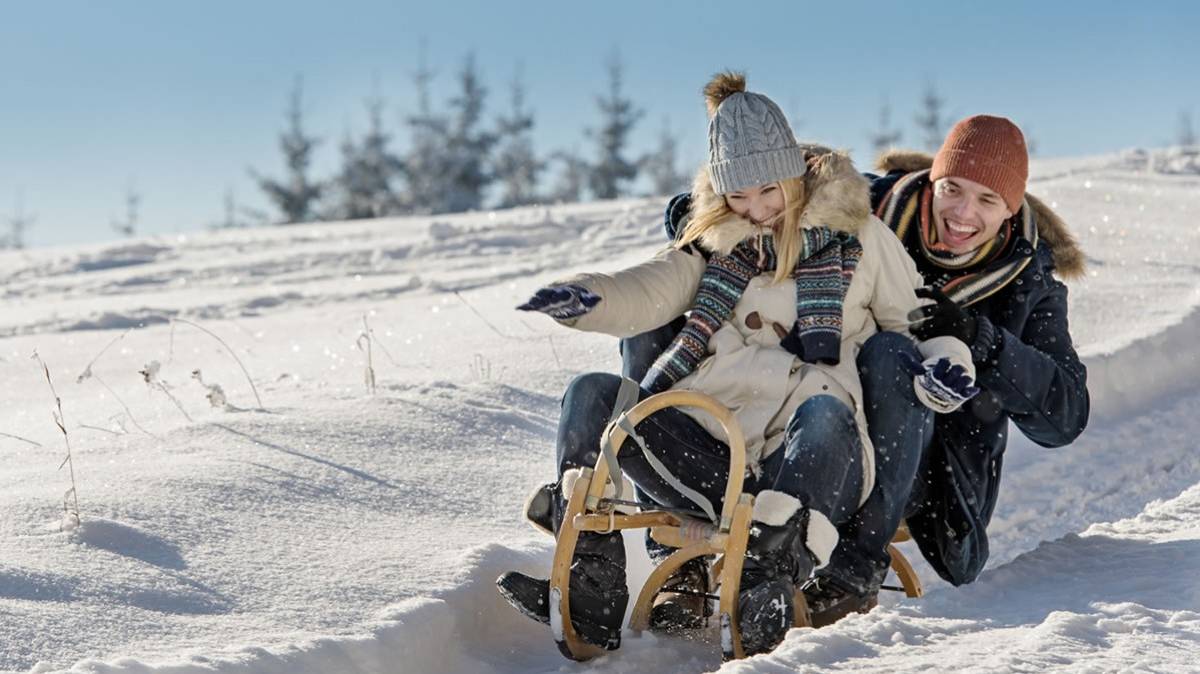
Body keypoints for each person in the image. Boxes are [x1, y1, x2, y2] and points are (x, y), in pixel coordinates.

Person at [495, 72, 977, 657]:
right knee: (593, 394)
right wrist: (587, 296)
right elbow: (652, 286)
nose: (754, 210)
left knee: (826, 412)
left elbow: (917, 325)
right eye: (737, 196)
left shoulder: (860, 236)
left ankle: (765, 580)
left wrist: (948, 361)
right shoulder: (714, 240)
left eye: (767, 191)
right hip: (714, 453)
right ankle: (591, 576)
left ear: (794, 174)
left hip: (812, 459)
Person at [644, 114, 1090, 628]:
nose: (963, 213)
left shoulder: (1027, 284)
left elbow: (1066, 416)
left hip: (913, 456)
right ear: (931, 181)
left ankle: (853, 570)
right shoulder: (867, 205)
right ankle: (683, 556)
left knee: (889, 353)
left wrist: (981, 340)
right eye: (952, 189)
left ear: (1011, 209)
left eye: (988, 201)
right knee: (665, 313)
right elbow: (750, 193)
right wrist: (708, 226)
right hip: (788, 410)